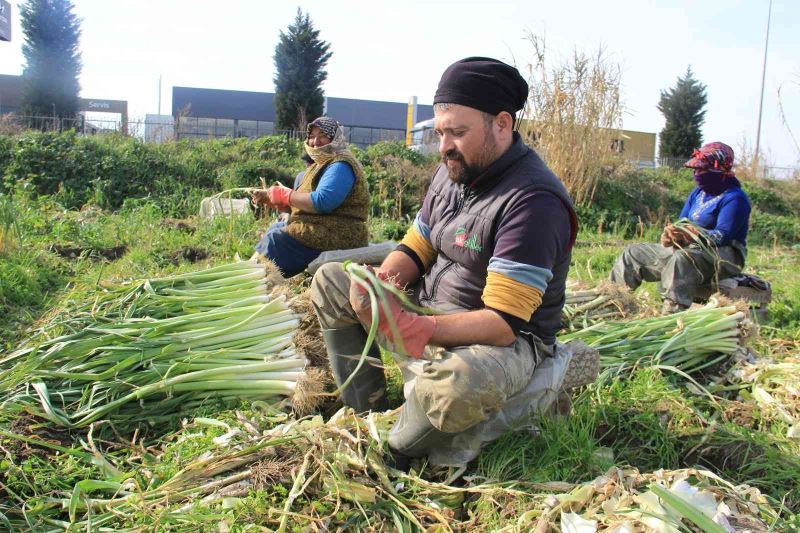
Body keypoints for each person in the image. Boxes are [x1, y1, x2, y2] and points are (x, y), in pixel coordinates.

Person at [310, 57, 579, 465]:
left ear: (502, 124)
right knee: (332, 280)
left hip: (500, 338)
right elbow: (417, 247)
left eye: (458, 132)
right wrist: (381, 282)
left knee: (458, 386)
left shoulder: (533, 202)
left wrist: (416, 328)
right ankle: (366, 410)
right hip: (432, 307)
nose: (445, 145)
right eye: (440, 132)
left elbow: (503, 324)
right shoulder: (452, 170)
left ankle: (394, 448)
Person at [610, 142, 751, 313]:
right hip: (687, 248)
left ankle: (671, 313)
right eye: (695, 170)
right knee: (633, 253)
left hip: (723, 256)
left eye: (701, 170)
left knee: (682, 259)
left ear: (719, 171)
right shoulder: (698, 193)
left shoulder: (735, 198)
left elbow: (723, 235)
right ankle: (614, 303)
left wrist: (695, 235)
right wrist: (672, 235)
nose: (696, 174)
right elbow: (682, 222)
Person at [252, 117, 369, 277]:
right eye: (312, 136)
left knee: (276, 240)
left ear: (335, 137)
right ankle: (254, 272)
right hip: (321, 226)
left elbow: (323, 202)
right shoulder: (319, 164)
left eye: (322, 135)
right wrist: (279, 202)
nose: (315, 141)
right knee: (275, 228)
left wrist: (286, 195)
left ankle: (258, 279)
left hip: (339, 232)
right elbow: (305, 202)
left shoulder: (341, 164)